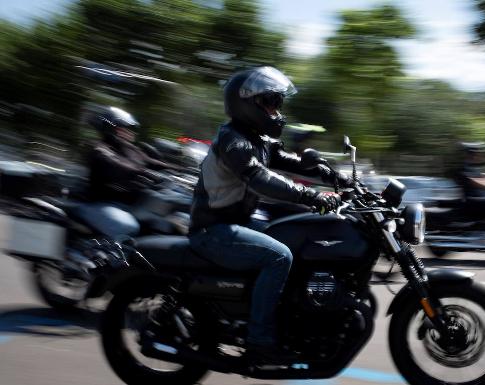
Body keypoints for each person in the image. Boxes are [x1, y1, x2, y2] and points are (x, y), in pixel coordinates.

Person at [188, 67, 346, 362]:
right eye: (270, 102)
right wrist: (311, 196)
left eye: (278, 103)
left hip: (238, 222)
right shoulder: (232, 140)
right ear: (246, 102)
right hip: (213, 230)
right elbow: (259, 177)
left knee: (299, 242)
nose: (276, 110)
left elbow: (292, 161)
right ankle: (259, 339)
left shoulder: (257, 138)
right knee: (279, 256)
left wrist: (337, 178)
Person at [80, 106, 175, 237]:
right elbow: (117, 165)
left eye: (130, 129)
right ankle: (107, 256)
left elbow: (150, 161)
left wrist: (181, 170)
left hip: (130, 202)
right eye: (124, 129)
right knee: (127, 227)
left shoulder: (129, 149)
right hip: (104, 203)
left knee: (160, 221)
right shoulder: (100, 149)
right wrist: (145, 173)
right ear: (110, 129)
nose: (131, 133)